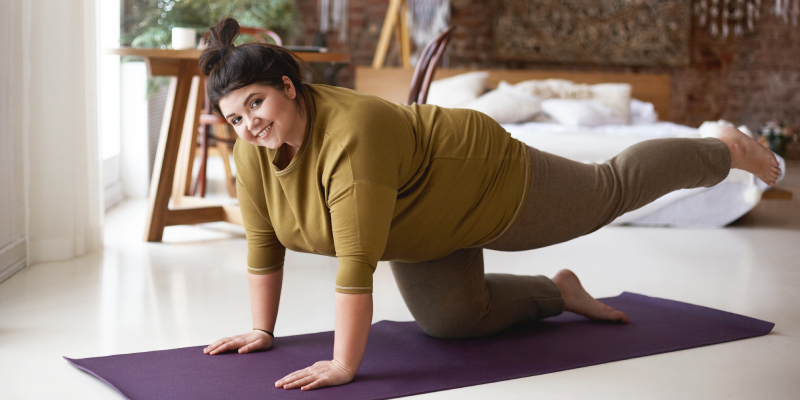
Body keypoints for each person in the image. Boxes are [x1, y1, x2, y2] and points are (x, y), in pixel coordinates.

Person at [199, 18, 781, 391]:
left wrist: (345, 365)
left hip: (481, 178)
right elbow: (263, 240)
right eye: (236, 117)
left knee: (608, 191)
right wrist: (260, 328)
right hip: (416, 223)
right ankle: (561, 292)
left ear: (289, 87)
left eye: (258, 103)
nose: (250, 124)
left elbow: (356, 264)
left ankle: (720, 149)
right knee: (453, 322)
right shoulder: (253, 148)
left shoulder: (354, 132)